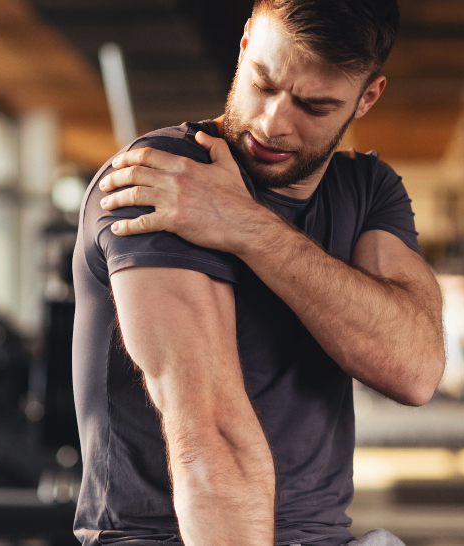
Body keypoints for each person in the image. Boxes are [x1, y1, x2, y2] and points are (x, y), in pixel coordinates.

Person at [72, 1, 445, 545]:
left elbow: (415, 369)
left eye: (315, 106)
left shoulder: (366, 190)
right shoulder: (167, 178)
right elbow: (209, 437)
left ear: (367, 98)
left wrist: (248, 226)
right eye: (264, 83)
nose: (273, 122)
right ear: (246, 43)